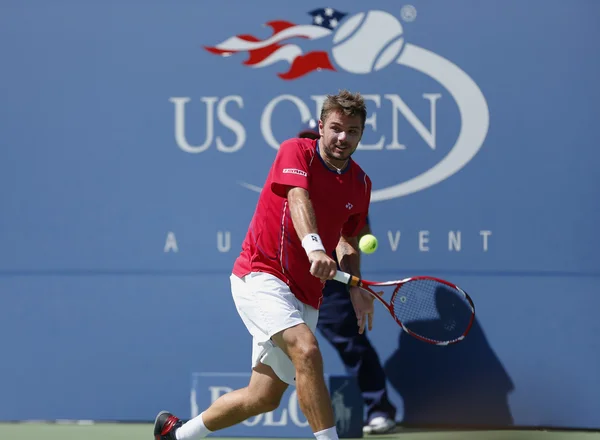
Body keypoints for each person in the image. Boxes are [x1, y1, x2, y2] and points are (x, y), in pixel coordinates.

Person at [154, 90, 375, 440]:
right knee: (307, 349)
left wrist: (356, 285)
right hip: (260, 275)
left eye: (352, 131)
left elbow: (348, 240)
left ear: (362, 134)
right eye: (335, 128)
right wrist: (315, 248)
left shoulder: (361, 183)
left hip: (305, 295)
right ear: (321, 127)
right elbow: (297, 196)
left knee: (263, 397)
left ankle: (176, 435)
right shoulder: (296, 151)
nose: (342, 138)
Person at [298, 121, 397, 435]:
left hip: (331, 283)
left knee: (351, 343)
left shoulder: (349, 185)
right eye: (310, 141)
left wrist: (353, 281)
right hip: (286, 278)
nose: (313, 147)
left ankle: (379, 408)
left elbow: (352, 238)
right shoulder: (294, 179)